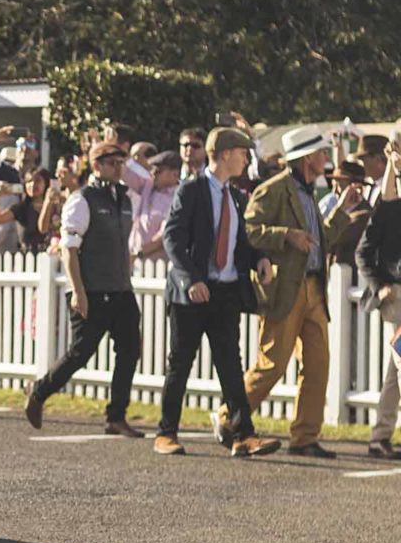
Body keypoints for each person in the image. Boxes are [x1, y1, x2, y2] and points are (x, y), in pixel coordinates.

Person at [229, 124, 363, 457]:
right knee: (271, 364)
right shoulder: (274, 189)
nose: (326, 158)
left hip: (314, 287)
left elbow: (321, 240)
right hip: (286, 288)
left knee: (318, 365)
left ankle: (304, 438)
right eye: (321, 152)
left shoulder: (310, 194)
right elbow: (248, 231)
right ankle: (228, 418)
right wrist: (285, 235)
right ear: (306, 158)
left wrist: (342, 210)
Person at [150, 127, 280, 456]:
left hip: (225, 292)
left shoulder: (235, 196)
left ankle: (244, 436)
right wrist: (192, 280)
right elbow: (173, 239)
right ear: (224, 154)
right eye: (241, 153)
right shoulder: (190, 190)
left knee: (230, 367)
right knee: (179, 363)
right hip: (191, 293)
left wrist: (260, 259)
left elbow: (239, 245)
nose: (246, 159)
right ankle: (166, 433)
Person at [24, 141, 143, 436]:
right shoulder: (82, 200)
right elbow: (69, 250)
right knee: (81, 352)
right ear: (98, 165)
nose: (119, 169)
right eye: (113, 163)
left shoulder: (125, 199)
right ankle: (39, 392)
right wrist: (78, 291)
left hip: (119, 289)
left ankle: (116, 415)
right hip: (90, 289)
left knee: (130, 348)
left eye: (121, 163)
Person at [355, 132, 401, 459]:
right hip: (397, 297)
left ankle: (379, 437)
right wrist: (380, 286)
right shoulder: (386, 207)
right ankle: (380, 436)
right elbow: (363, 252)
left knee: (395, 373)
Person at [130, 150, 183, 262]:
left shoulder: (179, 198)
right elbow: (126, 172)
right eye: (151, 170)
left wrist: (137, 253)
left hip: (156, 265)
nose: (153, 174)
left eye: (158, 171)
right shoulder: (148, 187)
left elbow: (164, 235)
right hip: (133, 262)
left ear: (175, 174)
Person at [317, 161, 369, 267]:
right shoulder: (339, 210)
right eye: (333, 185)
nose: (335, 191)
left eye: (339, 186)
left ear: (356, 186)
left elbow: (326, 239)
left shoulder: (363, 216)